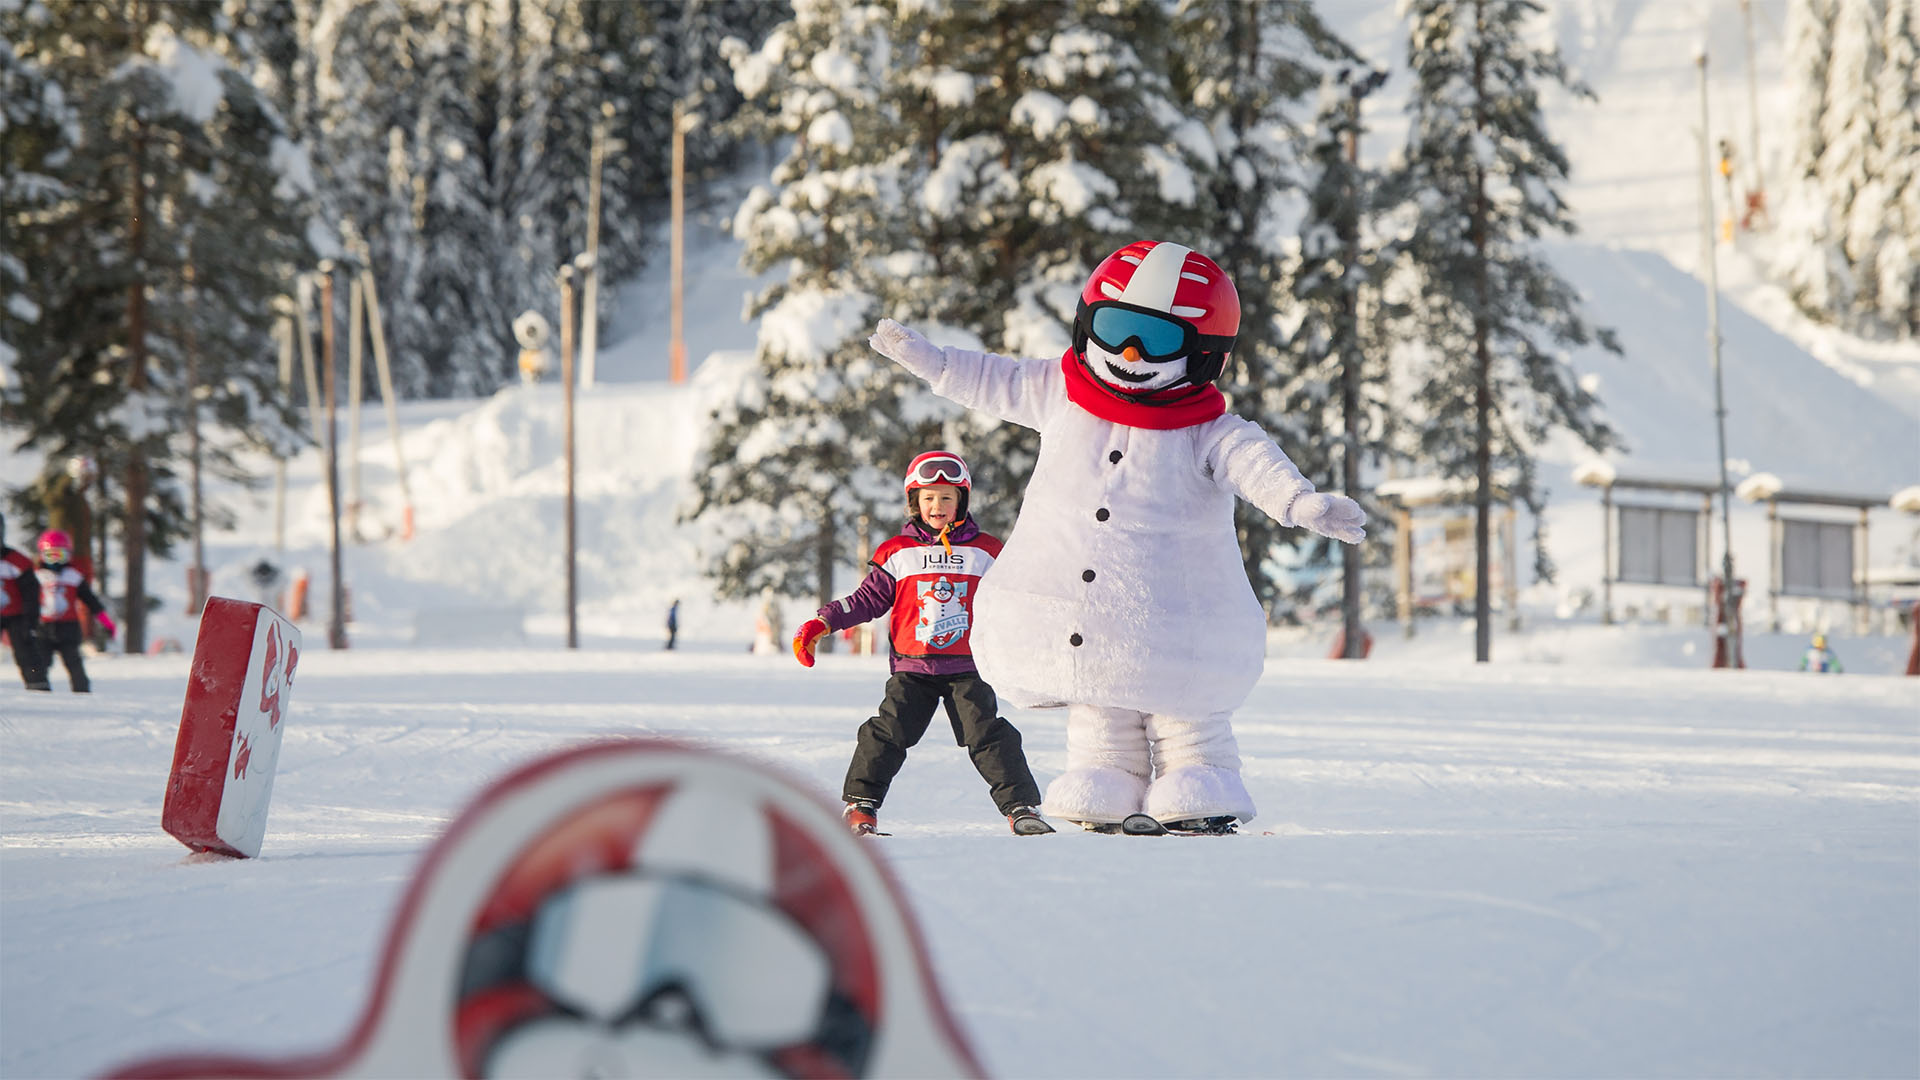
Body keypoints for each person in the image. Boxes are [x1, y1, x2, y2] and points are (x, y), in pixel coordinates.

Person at [868, 241, 1366, 835]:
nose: (1130, 353)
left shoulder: (1206, 431)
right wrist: (932, 362)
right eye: (1115, 328)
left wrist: (1300, 502)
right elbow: (995, 379)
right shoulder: (1059, 393)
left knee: (1183, 706)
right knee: (1098, 697)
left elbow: (1253, 461)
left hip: (1177, 614)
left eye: (1157, 339)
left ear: (1204, 353)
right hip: (1090, 617)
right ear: (1087, 323)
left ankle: (1201, 778)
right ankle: (1104, 775)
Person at [792, 451, 1051, 837]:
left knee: (989, 736)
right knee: (887, 733)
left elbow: (1013, 601)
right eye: (928, 497)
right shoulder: (898, 552)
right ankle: (861, 805)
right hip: (913, 668)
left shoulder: (985, 551)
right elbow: (867, 600)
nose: (937, 506)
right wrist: (824, 621)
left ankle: (1021, 808)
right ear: (915, 501)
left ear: (962, 501)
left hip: (969, 667)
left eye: (947, 497)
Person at [36, 529, 115, 692]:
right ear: (42, 556)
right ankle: (38, 691)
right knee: (40, 662)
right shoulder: (36, 577)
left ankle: (82, 692)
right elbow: (26, 602)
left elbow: (92, 602)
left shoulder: (73, 576)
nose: (55, 561)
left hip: (68, 628)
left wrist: (107, 623)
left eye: (60, 556)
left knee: (73, 661)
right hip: (43, 627)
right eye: (51, 556)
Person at [1, 513, 50, 691]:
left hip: (17, 616)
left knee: (26, 649)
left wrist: (30, 619)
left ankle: (38, 684)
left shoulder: (17, 561)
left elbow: (31, 593)